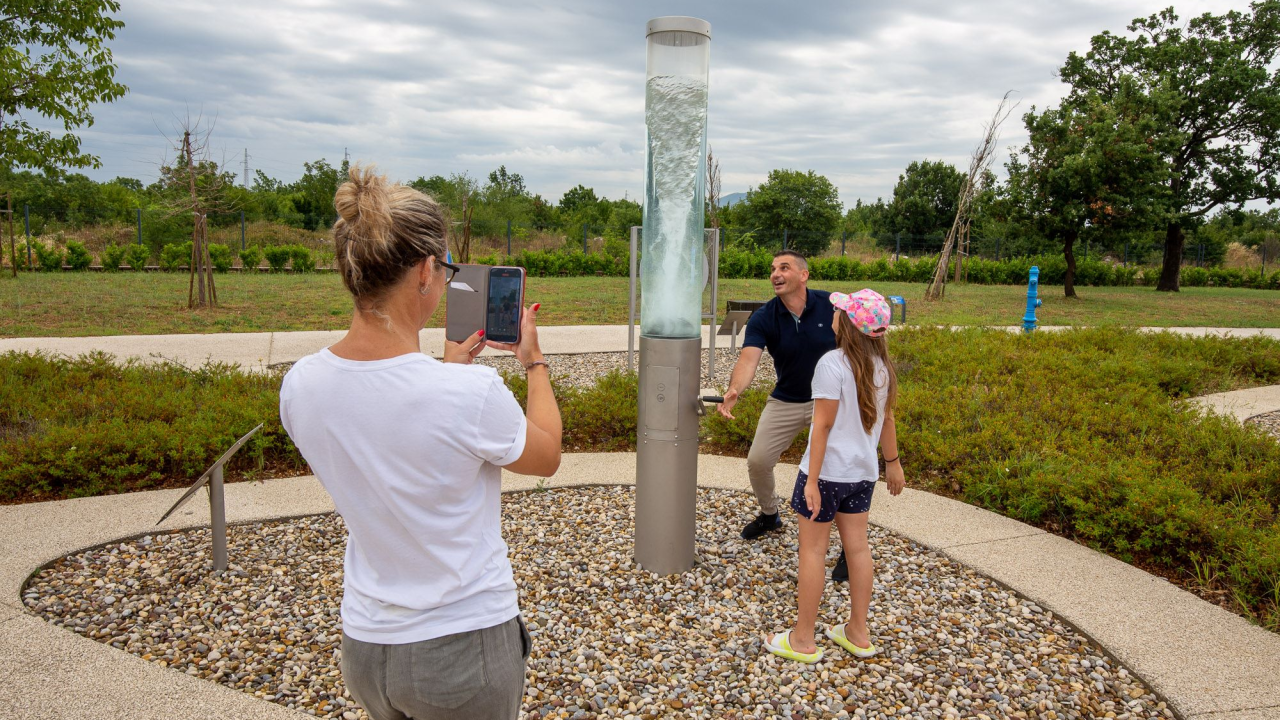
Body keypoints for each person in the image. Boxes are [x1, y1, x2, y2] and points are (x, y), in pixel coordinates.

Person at [279, 166, 562, 720]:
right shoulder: (468, 394)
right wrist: (534, 363)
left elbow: (391, 420)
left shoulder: (301, 384)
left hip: (367, 647)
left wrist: (449, 369)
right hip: (461, 647)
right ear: (428, 272)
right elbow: (546, 454)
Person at [763, 289, 904, 663]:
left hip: (825, 476)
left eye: (839, 310)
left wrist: (811, 480)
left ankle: (803, 640)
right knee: (858, 549)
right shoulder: (882, 367)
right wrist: (893, 462)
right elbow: (887, 420)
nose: (833, 313)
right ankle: (858, 632)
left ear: (849, 323)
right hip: (861, 475)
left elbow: (821, 427)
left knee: (812, 551)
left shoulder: (832, 364)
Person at [717, 250, 855, 580]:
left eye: (784, 267)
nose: (775, 274)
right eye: (772, 269)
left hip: (831, 400)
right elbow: (749, 360)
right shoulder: (765, 316)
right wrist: (735, 390)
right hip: (788, 399)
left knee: (835, 471)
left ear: (803, 275)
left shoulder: (832, 306)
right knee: (758, 461)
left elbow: (859, 345)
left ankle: (850, 549)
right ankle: (770, 515)